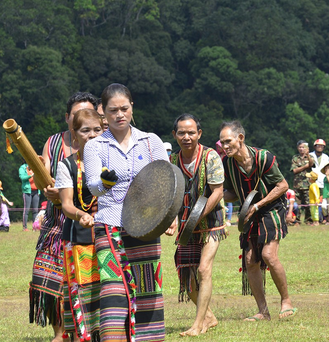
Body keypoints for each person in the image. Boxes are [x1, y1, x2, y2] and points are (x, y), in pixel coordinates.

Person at [85, 83, 167, 341]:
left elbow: (166, 181)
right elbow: (93, 188)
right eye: (112, 111)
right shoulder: (95, 146)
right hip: (109, 224)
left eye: (124, 108)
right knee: (113, 291)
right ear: (103, 115)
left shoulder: (151, 141)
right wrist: (105, 182)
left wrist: (168, 215)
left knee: (147, 289)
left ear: (132, 107)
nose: (119, 114)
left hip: (145, 226)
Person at [30, 91, 97, 342]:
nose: (82, 118)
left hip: (91, 221)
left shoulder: (101, 141)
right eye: (77, 114)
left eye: (88, 113)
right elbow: (42, 176)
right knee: (47, 277)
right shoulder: (53, 142)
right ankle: (59, 333)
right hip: (57, 220)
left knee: (85, 279)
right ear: (68, 117)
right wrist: (47, 186)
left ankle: (85, 328)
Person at [219, 120, 297, 321]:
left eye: (228, 141)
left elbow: (282, 185)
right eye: (222, 143)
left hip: (271, 209)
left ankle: (286, 301)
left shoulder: (264, 157)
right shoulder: (228, 163)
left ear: (241, 138)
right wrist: (215, 194)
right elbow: (231, 193)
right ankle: (263, 311)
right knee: (250, 261)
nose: (224, 146)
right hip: (249, 213)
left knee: (269, 255)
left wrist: (258, 205)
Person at [167, 113, 227, 337]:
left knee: (204, 269)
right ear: (175, 135)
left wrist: (198, 215)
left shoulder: (211, 156)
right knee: (185, 275)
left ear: (199, 134)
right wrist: (172, 219)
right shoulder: (173, 161)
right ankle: (209, 317)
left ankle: (197, 325)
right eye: (181, 132)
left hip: (211, 222)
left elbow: (218, 191)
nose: (186, 137)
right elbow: (171, 196)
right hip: (186, 225)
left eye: (191, 132)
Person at [55, 109, 103, 342]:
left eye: (97, 130)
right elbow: (66, 205)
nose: (92, 135)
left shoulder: (114, 162)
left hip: (111, 238)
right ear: (75, 135)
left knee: (110, 292)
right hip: (79, 239)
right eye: (86, 130)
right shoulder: (67, 166)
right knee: (81, 294)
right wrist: (81, 214)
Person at [290, 140, 314, 224]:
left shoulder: (310, 157)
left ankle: (309, 220)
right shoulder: (295, 158)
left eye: (303, 147)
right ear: (297, 148)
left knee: (308, 203)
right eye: (300, 147)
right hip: (297, 184)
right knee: (297, 204)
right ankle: (297, 221)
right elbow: (295, 170)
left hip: (308, 184)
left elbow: (311, 164)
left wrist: (308, 155)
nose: (301, 149)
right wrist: (305, 166)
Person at [20, 163, 39, 231]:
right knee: (26, 210)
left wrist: (39, 191)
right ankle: (25, 227)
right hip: (27, 191)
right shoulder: (23, 168)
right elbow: (22, 178)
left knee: (35, 210)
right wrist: (30, 175)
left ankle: (35, 227)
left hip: (36, 190)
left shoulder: (35, 166)